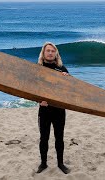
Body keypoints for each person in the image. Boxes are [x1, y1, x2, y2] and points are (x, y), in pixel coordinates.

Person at [36, 42, 71, 174]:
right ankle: (43, 163)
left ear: (56, 53)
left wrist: (67, 79)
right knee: (44, 138)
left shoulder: (62, 69)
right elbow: (32, 87)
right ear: (43, 53)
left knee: (59, 137)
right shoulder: (38, 68)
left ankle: (60, 163)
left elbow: (71, 90)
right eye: (48, 51)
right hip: (44, 110)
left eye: (52, 51)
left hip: (59, 109)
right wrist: (39, 101)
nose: (50, 53)